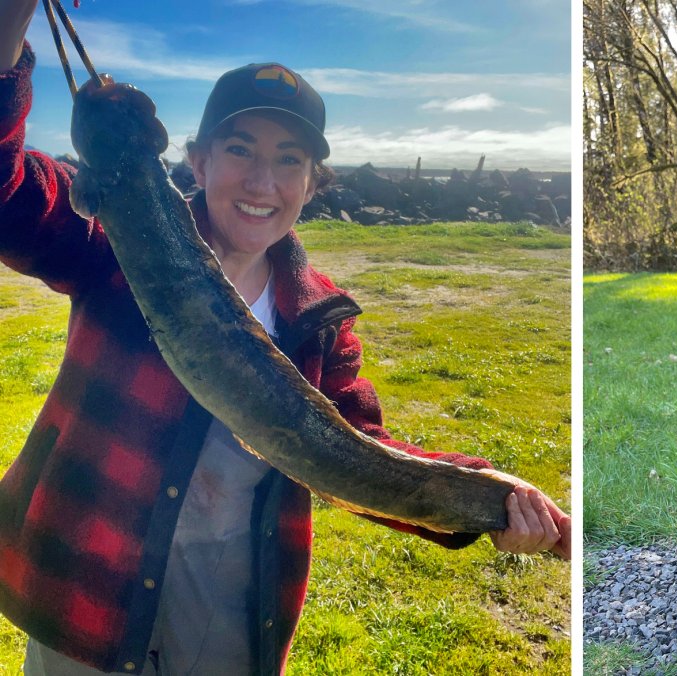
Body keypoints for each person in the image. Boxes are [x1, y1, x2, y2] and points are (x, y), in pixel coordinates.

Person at [0, 1, 570, 674]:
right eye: (239, 150)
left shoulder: (319, 317)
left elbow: (358, 454)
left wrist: (491, 498)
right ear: (198, 162)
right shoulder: (111, 237)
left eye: (288, 159)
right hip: (86, 586)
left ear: (311, 183)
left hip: (231, 597)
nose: (261, 181)